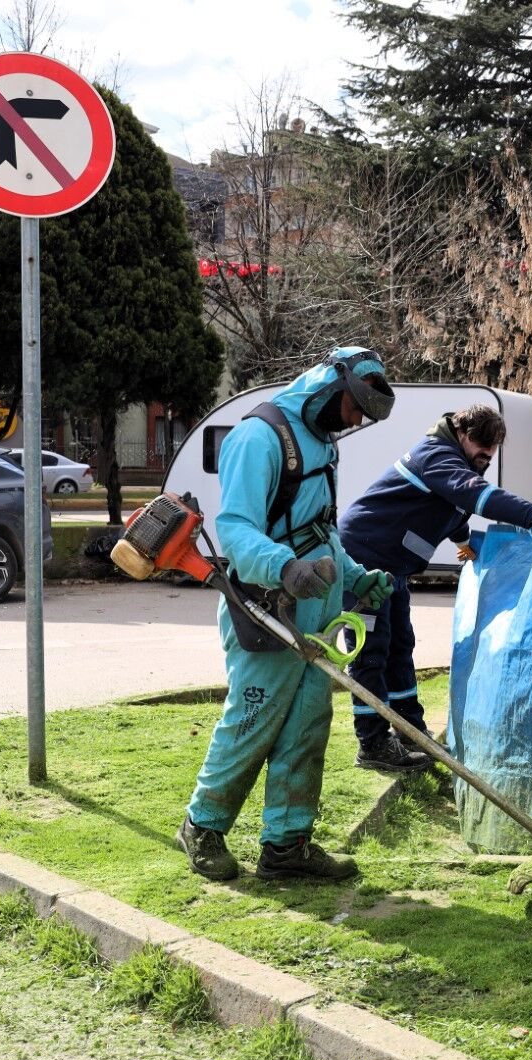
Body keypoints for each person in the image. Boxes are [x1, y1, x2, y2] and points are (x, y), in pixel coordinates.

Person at [177, 348, 398, 883]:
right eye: (353, 408)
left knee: (306, 725)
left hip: (314, 613)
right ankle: (201, 826)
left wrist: (352, 577)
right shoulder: (260, 437)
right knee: (254, 718)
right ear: (329, 386)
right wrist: (284, 567)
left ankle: (286, 844)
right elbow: (235, 527)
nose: (353, 422)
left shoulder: (322, 442)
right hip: (264, 607)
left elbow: (322, 529)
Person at [337, 404, 532, 771]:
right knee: (371, 651)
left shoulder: (457, 460)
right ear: (462, 433)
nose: (485, 456)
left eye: (492, 450)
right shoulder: (436, 455)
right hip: (364, 558)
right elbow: (473, 495)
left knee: (400, 645)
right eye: (481, 446)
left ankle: (411, 732)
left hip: (392, 566)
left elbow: (452, 507)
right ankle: (371, 744)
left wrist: (463, 541)